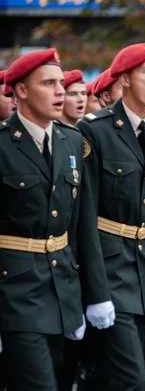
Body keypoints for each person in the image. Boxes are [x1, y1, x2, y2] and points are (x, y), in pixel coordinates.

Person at [77, 42, 145, 390]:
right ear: (123, 79)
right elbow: (84, 215)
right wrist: (94, 290)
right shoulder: (95, 129)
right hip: (110, 269)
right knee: (132, 380)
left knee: (119, 374)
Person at [0, 47, 88, 390]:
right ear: (21, 90)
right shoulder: (4, 144)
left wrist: (89, 295)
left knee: (61, 379)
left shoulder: (72, 142)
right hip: (15, 291)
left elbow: (79, 225)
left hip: (63, 288)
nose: (60, 92)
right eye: (48, 84)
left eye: (61, 84)